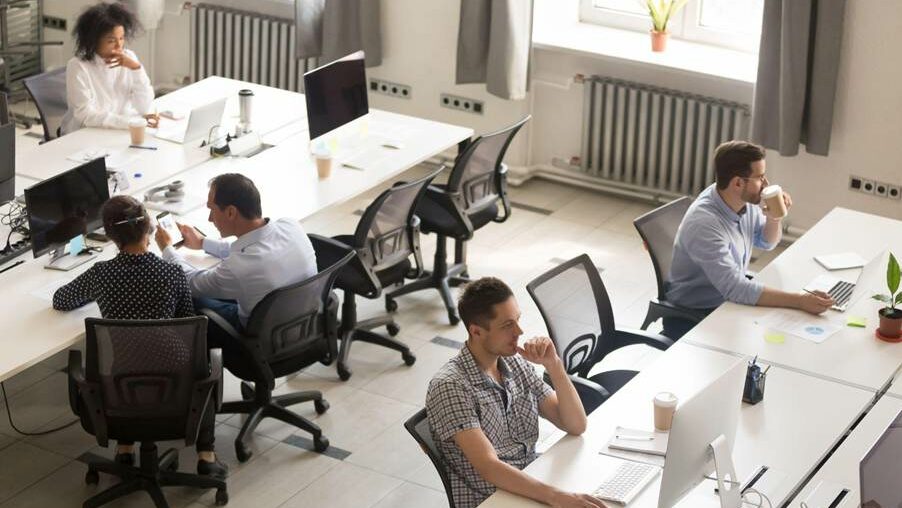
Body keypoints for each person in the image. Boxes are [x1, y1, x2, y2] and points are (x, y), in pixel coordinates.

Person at [52, 195, 227, 478]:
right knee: (204, 366)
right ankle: (206, 454)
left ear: (110, 236)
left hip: (119, 381)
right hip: (174, 381)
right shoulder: (172, 273)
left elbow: (61, 300)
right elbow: (188, 323)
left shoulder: (102, 274)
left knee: (129, 358)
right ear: (149, 228)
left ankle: (125, 448)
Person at [426, 277, 603, 508]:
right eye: (507, 325)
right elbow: (489, 467)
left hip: (532, 483)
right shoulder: (451, 386)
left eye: (517, 320)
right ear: (476, 332)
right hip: (493, 500)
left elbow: (575, 424)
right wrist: (557, 497)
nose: (519, 331)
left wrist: (554, 366)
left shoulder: (515, 365)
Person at [663, 140, 834, 339]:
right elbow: (735, 288)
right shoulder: (705, 224)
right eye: (760, 177)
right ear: (737, 183)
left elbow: (766, 242)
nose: (766, 184)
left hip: (725, 300)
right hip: (697, 315)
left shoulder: (741, 200)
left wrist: (774, 217)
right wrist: (800, 300)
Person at [155, 173, 317, 349]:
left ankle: (194, 367)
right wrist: (203, 243)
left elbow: (191, 282)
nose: (210, 218)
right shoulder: (291, 226)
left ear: (231, 212)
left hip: (261, 342)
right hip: (302, 324)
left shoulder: (240, 268)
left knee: (187, 297)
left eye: (212, 209)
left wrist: (167, 249)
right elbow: (247, 250)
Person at [60, 3, 159, 135]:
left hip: (119, 131)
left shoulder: (129, 58)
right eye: (111, 40)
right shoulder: (78, 66)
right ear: (94, 40)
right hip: (85, 133)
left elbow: (144, 106)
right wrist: (130, 122)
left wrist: (136, 68)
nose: (119, 45)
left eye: (121, 38)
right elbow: (85, 115)